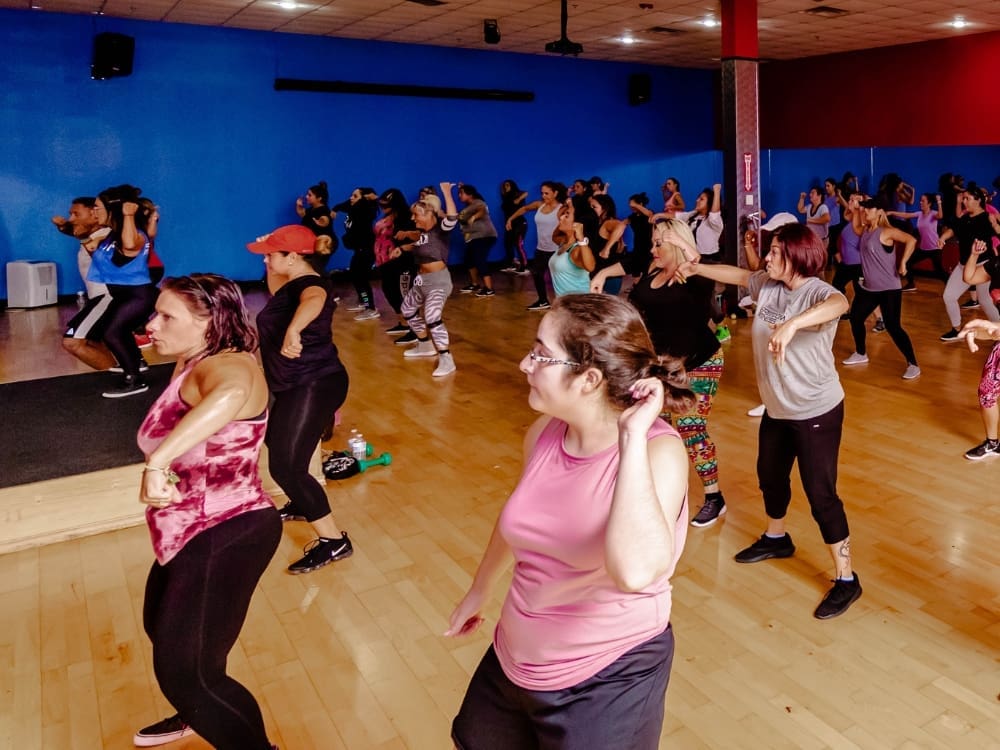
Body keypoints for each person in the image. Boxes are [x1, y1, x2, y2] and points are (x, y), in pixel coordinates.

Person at [446, 293, 693, 750]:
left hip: (607, 675)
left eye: (541, 354)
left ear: (589, 379)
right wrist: (479, 589)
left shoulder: (658, 452)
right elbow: (519, 521)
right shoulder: (543, 434)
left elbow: (635, 572)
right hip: (515, 655)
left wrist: (632, 437)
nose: (525, 363)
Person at [676, 223, 862, 619]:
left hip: (816, 410)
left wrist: (793, 324)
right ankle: (777, 538)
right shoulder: (769, 284)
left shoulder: (815, 290)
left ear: (797, 256)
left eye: (777, 251)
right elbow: (741, 275)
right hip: (778, 409)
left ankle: (846, 578)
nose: (769, 257)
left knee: (820, 493)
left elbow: (839, 305)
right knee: (770, 477)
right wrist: (698, 268)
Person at [135, 273, 279, 750]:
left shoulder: (229, 366)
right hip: (186, 531)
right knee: (164, 632)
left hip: (228, 529)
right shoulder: (192, 360)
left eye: (166, 316)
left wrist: (158, 462)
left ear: (209, 323)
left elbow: (233, 395)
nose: (151, 324)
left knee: (186, 672)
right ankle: (200, 712)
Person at [593, 218, 728, 527]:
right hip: (660, 365)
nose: (652, 249)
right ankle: (668, 491)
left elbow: (698, 291)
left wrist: (688, 255)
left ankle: (714, 497)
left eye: (659, 244)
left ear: (677, 245)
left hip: (699, 362)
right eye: (653, 243)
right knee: (659, 429)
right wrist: (602, 273)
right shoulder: (652, 266)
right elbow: (627, 263)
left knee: (691, 429)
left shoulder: (695, 278)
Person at [247, 224, 353, 573]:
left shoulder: (311, 285)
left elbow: (314, 300)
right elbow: (282, 288)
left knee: (286, 465)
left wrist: (294, 330)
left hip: (314, 382)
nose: (265, 260)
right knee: (274, 440)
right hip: (294, 384)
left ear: (293, 257)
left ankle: (334, 542)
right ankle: (301, 500)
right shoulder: (290, 283)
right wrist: (269, 251)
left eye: (271, 256)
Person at [87, 184, 159, 397]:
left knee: (112, 333)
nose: (94, 211)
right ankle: (135, 365)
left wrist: (128, 214)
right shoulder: (110, 235)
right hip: (122, 294)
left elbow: (129, 246)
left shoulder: (134, 235)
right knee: (112, 331)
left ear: (113, 210)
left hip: (138, 295)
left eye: (98, 207)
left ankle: (134, 379)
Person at [841, 198, 921, 380]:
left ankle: (913, 364)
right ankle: (861, 353)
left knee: (893, 327)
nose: (866, 212)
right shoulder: (866, 231)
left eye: (869, 210)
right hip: (869, 288)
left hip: (888, 289)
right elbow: (855, 226)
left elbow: (911, 240)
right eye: (865, 210)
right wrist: (855, 209)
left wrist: (903, 262)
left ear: (879, 212)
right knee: (855, 318)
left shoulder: (886, 232)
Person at [393, 183, 459, 377]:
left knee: (432, 316)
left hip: (438, 282)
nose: (413, 218)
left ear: (430, 214)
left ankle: (446, 359)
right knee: (407, 309)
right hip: (421, 281)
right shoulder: (424, 234)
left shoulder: (441, 229)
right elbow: (419, 245)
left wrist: (447, 192)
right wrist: (403, 248)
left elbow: (453, 217)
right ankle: (424, 345)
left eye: (416, 215)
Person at [938, 185, 1000, 342]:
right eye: (963, 198)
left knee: (986, 301)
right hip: (964, 265)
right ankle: (956, 329)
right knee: (949, 296)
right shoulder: (964, 218)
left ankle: (998, 332)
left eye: (967, 198)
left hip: (983, 266)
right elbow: (953, 230)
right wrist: (943, 238)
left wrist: (995, 225)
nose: (964, 201)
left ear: (978, 200)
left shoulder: (987, 217)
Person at [958, 239, 1000, 460]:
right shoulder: (996, 264)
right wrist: (973, 254)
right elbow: (969, 277)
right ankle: (993, 443)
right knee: (987, 391)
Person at [506, 181, 566, 311]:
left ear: (555, 193)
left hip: (557, 249)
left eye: (547, 193)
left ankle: (563, 305)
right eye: (542, 193)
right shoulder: (539, 205)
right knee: (537, 274)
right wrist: (510, 218)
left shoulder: (561, 208)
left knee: (559, 279)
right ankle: (543, 301)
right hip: (541, 248)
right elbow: (524, 208)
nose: (544, 196)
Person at [375, 187, 417, 342]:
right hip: (388, 262)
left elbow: (421, 237)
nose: (383, 208)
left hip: (404, 262)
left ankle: (416, 331)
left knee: (406, 295)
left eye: (386, 205)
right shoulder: (392, 216)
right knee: (389, 290)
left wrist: (405, 238)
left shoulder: (406, 217)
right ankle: (404, 322)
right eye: (382, 205)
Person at [332, 186, 380, 320]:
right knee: (355, 276)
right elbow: (343, 205)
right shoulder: (353, 208)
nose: (350, 198)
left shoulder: (364, 211)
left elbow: (375, 203)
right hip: (359, 251)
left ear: (363, 200)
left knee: (361, 279)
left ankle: (370, 307)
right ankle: (363, 302)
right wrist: (335, 209)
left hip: (366, 251)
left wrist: (374, 198)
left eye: (355, 196)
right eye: (351, 195)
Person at [887, 193, 947, 288]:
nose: (920, 202)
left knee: (939, 271)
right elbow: (906, 215)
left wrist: (939, 202)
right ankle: (911, 284)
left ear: (929, 203)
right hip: (923, 248)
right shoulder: (919, 214)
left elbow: (940, 216)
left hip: (935, 248)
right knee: (907, 262)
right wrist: (892, 213)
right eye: (920, 200)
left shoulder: (933, 214)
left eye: (923, 201)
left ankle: (949, 286)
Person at [456, 184, 499, 297]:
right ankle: (475, 284)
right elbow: (459, 217)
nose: (459, 195)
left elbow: (482, 210)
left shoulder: (478, 203)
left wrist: (474, 217)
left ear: (470, 194)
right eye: (459, 193)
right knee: (468, 260)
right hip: (473, 237)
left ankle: (489, 288)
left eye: (461, 193)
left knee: (480, 260)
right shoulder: (467, 207)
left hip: (483, 236)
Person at [548, 204, 595, 297]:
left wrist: (581, 239)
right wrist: (567, 210)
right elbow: (554, 237)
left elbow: (590, 267)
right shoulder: (563, 242)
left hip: (579, 306)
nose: (561, 217)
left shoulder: (577, 249)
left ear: (578, 224)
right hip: (564, 304)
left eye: (567, 215)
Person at [499, 179, 529, 274]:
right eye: (504, 185)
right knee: (507, 244)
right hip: (509, 224)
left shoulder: (516, 194)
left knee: (518, 244)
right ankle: (511, 264)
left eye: (507, 185)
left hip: (520, 223)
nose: (506, 187)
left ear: (512, 185)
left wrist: (518, 199)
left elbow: (526, 193)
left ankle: (523, 267)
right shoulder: (505, 197)